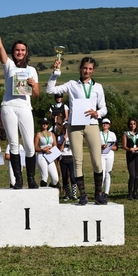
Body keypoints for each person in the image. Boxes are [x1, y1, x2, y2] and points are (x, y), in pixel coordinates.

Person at [46, 56, 108, 205]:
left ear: (93, 71)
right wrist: (55, 72)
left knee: (97, 161)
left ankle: (98, 194)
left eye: (90, 69)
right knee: (78, 160)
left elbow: (104, 108)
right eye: (85, 68)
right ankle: (83, 195)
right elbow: (50, 90)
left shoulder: (97, 87)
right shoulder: (72, 84)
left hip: (92, 124)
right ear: (80, 69)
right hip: (75, 126)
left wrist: (97, 113)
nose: (87, 71)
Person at [0, 15, 39, 189]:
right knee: (13, 144)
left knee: (29, 144)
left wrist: (33, 86)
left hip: (25, 107)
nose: (20, 52)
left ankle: (32, 179)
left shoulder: (32, 70)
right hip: (9, 107)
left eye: (23, 50)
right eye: (17, 50)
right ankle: (18, 180)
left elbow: (37, 95)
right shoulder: (9, 66)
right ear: (14, 52)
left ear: (26, 52)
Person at [122, 118, 138, 200]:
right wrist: (130, 149)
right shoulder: (126, 134)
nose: (132, 125)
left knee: (137, 175)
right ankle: (130, 193)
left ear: (136, 125)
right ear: (129, 125)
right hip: (130, 155)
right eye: (131, 124)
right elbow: (124, 146)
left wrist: (137, 148)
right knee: (132, 175)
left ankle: (135, 192)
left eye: (134, 124)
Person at [34, 118, 59, 188]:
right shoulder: (38, 135)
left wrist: (52, 149)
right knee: (45, 176)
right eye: (43, 123)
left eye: (46, 123)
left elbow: (55, 145)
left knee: (55, 179)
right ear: (41, 125)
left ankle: (50, 189)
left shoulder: (52, 134)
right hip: (42, 156)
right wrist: (42, 150)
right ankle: (43, 192)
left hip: (50, 156)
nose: (45, 125)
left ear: (48, 125)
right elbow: (35, 148)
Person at [57, 122, 77, 200]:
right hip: (63, 158)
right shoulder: (60, 137)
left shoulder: (73, 137)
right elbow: (60, 150)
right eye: (65, 127)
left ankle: (74, 195)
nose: (66, 128)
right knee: (65, 177)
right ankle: (68, 195)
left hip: (71, 157)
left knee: (72, 176)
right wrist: (64, 140)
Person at [100, 118, 118, 200]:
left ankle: (106, 192)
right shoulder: (98, 133)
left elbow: (115, 147)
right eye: (104, 123)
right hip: (101, 155)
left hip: (110, 155)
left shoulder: (112, 134)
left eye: (107, 123)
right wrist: (102, 146)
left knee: (108, 174)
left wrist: (109, 147)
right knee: (102, 174)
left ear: (109, 125)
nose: (105, 125)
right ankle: (99, 192)